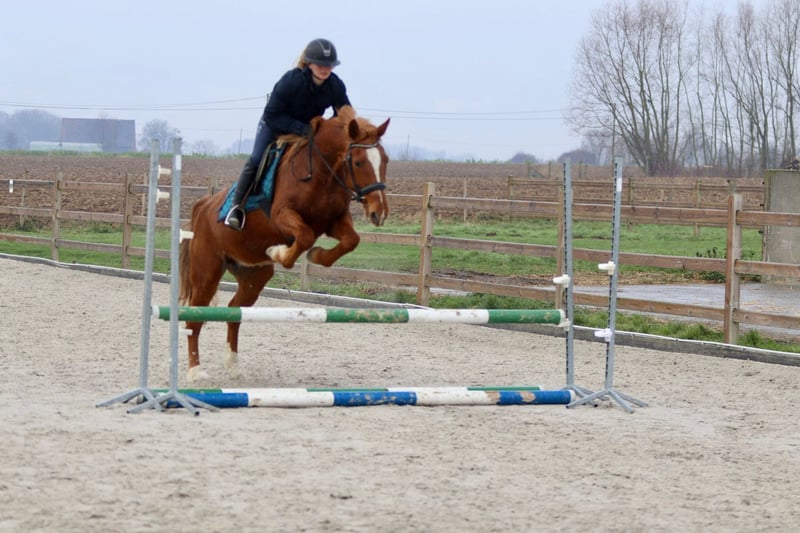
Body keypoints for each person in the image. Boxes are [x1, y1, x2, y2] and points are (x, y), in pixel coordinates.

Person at [224, 38, 352, 230]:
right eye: (320, 64)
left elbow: (345, 113)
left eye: (329, 65)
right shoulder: (291, 81)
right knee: (257, 158)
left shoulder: (335, 85)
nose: (325, 69)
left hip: (308, 131)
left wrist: (329, 129)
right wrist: (301, 128)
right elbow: (271, 114)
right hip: (275, 125)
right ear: (309, 64)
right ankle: (236, 207)